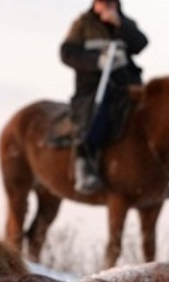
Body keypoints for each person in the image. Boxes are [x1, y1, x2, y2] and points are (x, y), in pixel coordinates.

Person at [60, 0, 148, 194]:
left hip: (126, 84)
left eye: (111, 2)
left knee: (151, 114)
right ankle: (84, 165)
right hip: (93, 86)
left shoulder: (125, 23)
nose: (108, 6)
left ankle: (152, 169)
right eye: (103, 3)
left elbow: (141, 43)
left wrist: (120, 25)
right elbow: (66, 53)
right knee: (92, 115)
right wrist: (97, 62)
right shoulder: (83, 24)